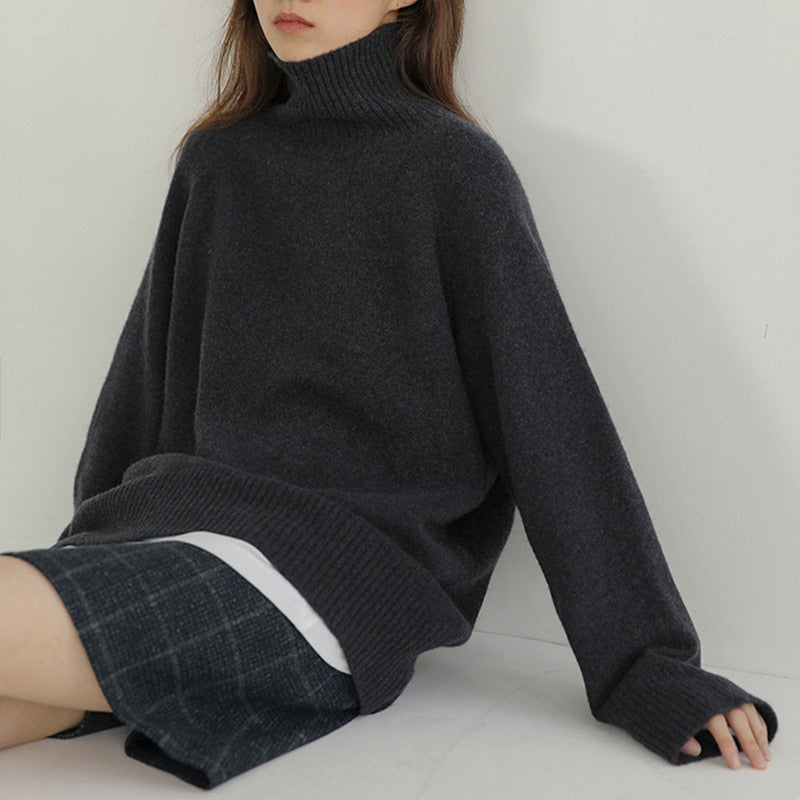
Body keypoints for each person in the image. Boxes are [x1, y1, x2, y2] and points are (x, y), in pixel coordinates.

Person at [0, 0, 778, 789]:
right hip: (174, 541)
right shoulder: (219, 160)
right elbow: (148, 374)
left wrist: (646, 664)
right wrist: (86, 549)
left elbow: (551, 419)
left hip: (328, 581)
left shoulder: (453, 170)